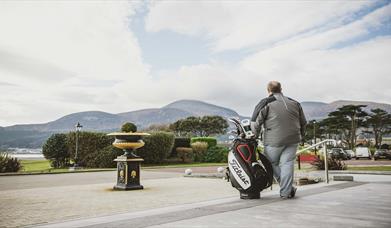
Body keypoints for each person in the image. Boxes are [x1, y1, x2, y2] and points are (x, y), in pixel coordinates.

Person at [251, 81, 307, 199]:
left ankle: (286, 189)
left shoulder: (265, 102)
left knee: (271, 163)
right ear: (281, 89)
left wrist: (254, 136)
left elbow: (255, 122)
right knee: (287, 164)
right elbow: (303, 122)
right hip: (293, 139)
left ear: (268, 90)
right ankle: (287, 191)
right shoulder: (295, 103)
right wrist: (302, 137)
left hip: (273, 141)